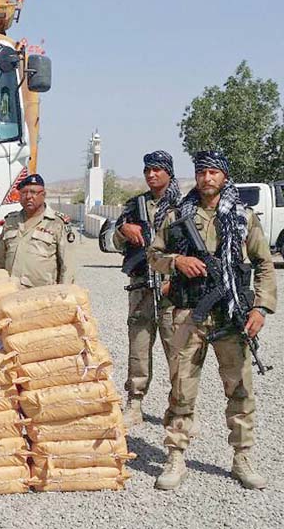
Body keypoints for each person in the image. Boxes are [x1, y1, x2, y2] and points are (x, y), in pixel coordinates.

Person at [148, 150, 277, 491]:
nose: (207, 178)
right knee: (182, 388)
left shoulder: (243, 217)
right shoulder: (176, 216)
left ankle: (242, 457)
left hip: (232, 316)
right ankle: (176, 455)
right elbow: (153, 256)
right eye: (201, 172)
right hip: (189, 313)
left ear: (224, 176)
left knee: (239, 389)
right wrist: (177, 262)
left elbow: (264, 265)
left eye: (213, 173)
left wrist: (260, 308)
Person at [112, 151, 181, 428]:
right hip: (142, 286)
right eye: (147, 171)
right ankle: (135, 402)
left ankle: (179, 408)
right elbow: (112, 242)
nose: (151, 175)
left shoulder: (183, 206)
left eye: (156, 170)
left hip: (173, 290)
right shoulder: (134, 206)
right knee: (138, 347)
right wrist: (123, 231)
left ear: (168, 172)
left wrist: (173, 280)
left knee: (177, 350)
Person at [0, 173, 73, 286]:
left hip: (41, 296)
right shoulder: (10, 221)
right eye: (24, 193)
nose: (28, 196)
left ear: (44, 195)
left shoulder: (57, 223)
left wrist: (63, 295)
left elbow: (67, 267)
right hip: (10, 293)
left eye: (34, 192)